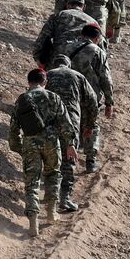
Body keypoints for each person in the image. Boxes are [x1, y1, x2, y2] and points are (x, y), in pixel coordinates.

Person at [7, 68, 75, 236]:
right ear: (45, 82)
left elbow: (14, 127)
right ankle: (52, 213)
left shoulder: (22, 99)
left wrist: (18, 147)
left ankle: (33, 222)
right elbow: (65, 123)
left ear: (28, 82)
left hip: (30, 143)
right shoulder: (53, 97)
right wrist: (70, 144)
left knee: (32, 182)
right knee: (53, 174)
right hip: (51, 142)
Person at [44, 55, 98, 213]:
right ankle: (65, 198)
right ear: (69, 64)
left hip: (49, 121)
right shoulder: (78, 76)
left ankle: (50, 193)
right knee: (69, 157)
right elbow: (92, 101)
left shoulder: (47, 76)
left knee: (50, 156)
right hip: (71, 119)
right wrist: (89, 124)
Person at [68, 22, 116, 173]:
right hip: (90, 96)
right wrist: (109, 101)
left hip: (68, 93)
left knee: (68, 124)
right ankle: (90, 161)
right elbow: (105, 79)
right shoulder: (97, 51)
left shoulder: (66, 47)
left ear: (82, 35)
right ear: (97, 38)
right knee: (91, 125)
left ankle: (67, 159)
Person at [32, 0, 95, 66]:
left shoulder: (57, 16)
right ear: (84, 7)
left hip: (59, 61)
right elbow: (99, 45)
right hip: (84, 61)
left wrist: (39, 60)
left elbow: (42, 39)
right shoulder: (92, 22)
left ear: (67, 5)